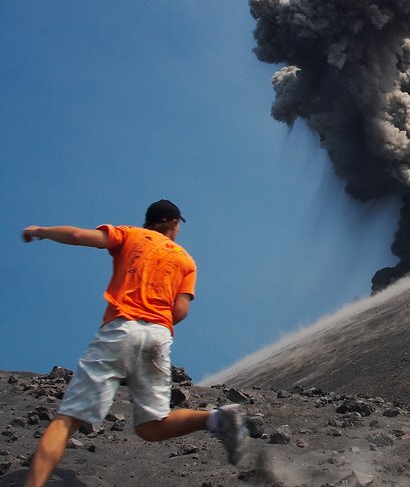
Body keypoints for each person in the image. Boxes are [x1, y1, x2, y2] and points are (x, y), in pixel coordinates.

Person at [20, 199, 247, 487]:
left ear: (149, 222)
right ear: (174, 224)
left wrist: (41, 230)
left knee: (67, 420)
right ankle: (215, 419)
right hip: (157, 336)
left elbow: (78, 236)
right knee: (152, 426)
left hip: (121, 328)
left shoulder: (129, 235)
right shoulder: (185, 261)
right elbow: (180, 311)